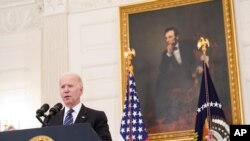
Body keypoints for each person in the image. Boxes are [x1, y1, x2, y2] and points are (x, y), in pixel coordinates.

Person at [154, 27, 204, 126]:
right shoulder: (165, 53)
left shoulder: (188, 44)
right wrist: (168, 54)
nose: (167, 40)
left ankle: (202, 111)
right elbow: (162, 70)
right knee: (161, 81)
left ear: (177, 37)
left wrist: (200, 64)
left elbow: (204, 48)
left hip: (193, 74)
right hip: (179, 79)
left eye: (170, 37)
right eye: (166, 38)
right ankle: (172, 115)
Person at [47, 73, 112, 141]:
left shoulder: (97, 116)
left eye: (70, 86)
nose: (66, 90)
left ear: (81, 90)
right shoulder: (51, 119)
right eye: (62, 87)